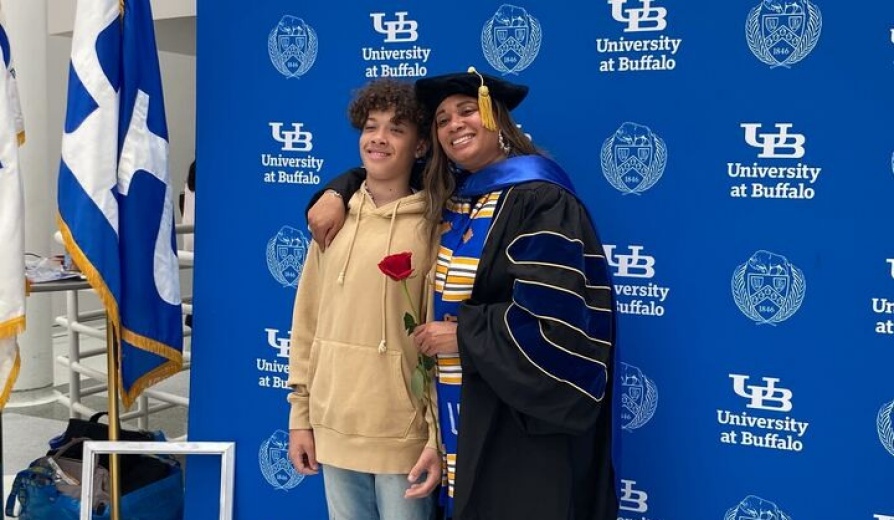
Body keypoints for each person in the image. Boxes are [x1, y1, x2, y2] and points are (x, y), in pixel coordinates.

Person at [307, 68, 619, 520]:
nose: (455, 124)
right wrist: (341, 187)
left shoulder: (542, 200)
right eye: (442, 119)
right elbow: (384, 165)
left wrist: (465, 334)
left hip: (521, 422)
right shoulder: (453, 197)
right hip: (465, 416)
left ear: (499, 121)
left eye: (468, 111)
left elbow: (558, 325)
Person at [286, 77, 443, 520]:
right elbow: (308, 321)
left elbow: (437, 341)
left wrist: (435, 436)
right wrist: (301, 415)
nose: (378, 138)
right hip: (333, 427)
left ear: (419, 146)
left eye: (396, 129)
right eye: (371, 126)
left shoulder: (434, 227)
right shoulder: (329, 219)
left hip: (402, 436)